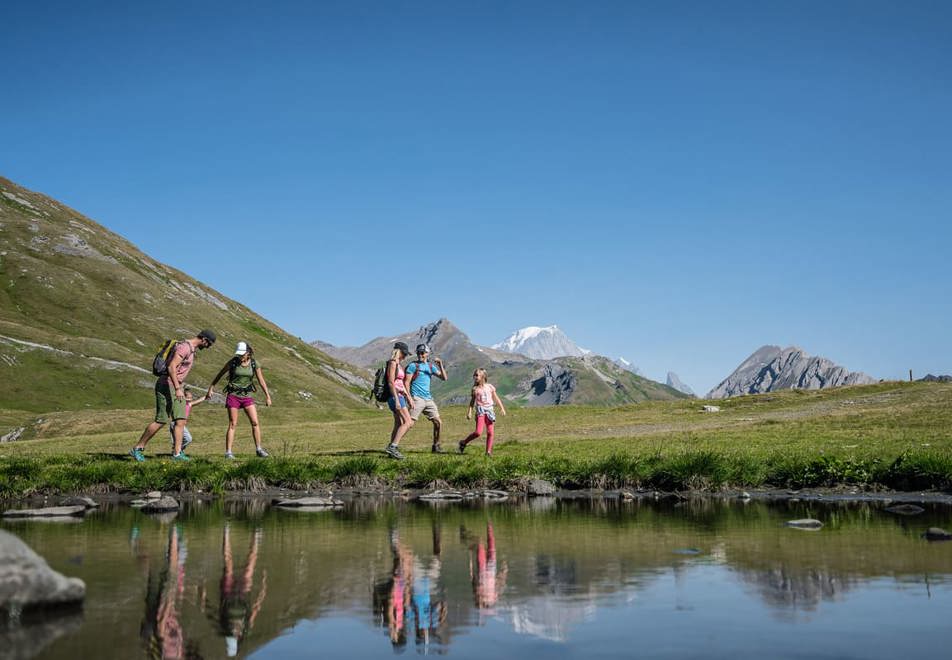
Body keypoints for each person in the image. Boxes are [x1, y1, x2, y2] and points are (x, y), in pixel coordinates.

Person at [131, 329, 216, 462]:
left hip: (177, 386)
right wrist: (177, 388)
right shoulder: (184, 347)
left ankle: (177, 454)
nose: (208, 347)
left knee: (181, 420)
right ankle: (138, 448)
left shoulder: (191, 349)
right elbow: (171, 367)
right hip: (167, 384)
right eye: (209, 344)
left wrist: (179, 387)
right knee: (161, 419)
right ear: (204, 340)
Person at [207, 341, 272, 459]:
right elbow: (220, 374)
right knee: (233, 423)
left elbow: (261, 381)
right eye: (239, 354)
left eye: (242, 354)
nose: (240, 356)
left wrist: (267, 396)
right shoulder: (233, 362)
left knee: (255, 422)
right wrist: (211, 388)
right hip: (233, 396)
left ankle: (259, 449)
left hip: (247, 396)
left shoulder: (254, 363)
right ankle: (228, 452)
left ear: (248, 353)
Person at [404, 343, 448, 453]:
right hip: (417, 398)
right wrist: (409, 398)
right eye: (418, 352)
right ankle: (393, 445)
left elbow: (444, 378)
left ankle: (436, 446)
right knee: (409, 424)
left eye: (423, 353)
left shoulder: (430, 366)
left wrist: (440, 365)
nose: (420, 354)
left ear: (427, 354)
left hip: (428, 399)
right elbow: (406, 383)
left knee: (438, 422)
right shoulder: (413, 366)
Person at [458, 368, 507, 456]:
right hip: (480, 411)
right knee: (478, 432)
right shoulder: (475, 389)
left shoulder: (490, 387)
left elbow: (496, 398)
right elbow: (472, 402)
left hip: (490, 411)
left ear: (483, 376)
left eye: (477, 375)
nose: (475, 377)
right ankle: (463, 442)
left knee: (490, 432)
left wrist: (502, 408)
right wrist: (469, 412)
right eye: (474, 375)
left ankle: (488, 452)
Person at [384, 342, 413, 460]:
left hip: (400, 396)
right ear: (399, 351)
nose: (405, 356)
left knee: (398, 423)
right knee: (408, 422)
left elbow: (399, 383)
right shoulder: (392, 363)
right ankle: (393, 447)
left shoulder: (398, 364)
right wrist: (396, 399)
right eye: (404, 354)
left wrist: (408, 396)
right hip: (395, 397)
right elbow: (391, 382)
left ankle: (391, 451)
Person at [168, 390, 206, 458]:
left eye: (191, 398)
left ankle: (177, 451)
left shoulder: (189, 404)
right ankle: (177, 452)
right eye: (188, 398)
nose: (190, 399)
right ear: (183, 397)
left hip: (182, 425)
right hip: (175, 424)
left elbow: (198, 401)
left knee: (187, 439)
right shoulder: (179, 404)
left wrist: (206, 396)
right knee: (187, 439)